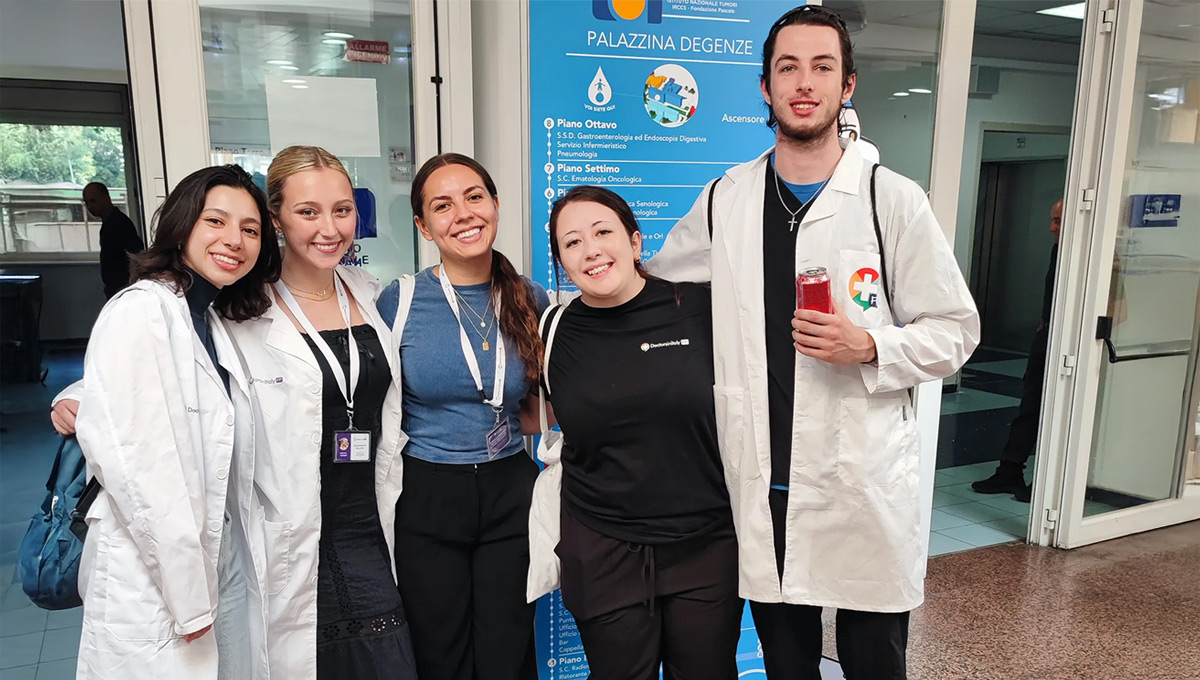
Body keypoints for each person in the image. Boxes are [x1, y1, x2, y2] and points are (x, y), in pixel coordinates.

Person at [646, 6, 980, 679]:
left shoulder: (892, 200)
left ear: (847, 85)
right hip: (765, 482)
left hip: (860, 481)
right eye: (788, 67)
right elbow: (652, 291)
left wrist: (872, 347)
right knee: (787, 663)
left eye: (822, 67)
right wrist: (556, 308)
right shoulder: (726, 199)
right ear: (765, 88)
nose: (805, 82)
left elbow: (955, 331)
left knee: (873, 661)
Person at [62, 165, 279, 679]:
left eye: (250, 230)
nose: (234, 240)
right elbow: (144, 480)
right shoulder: (141, 312)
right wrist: (189, 601)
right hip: (156, 580)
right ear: (182, 226)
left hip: (215, 562)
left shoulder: (209, 317)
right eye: (216, 221)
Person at [224, 145, 418, 679]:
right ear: (276, 219)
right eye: (308, 212)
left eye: (343, 209)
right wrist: (74, 393)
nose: (330, 228)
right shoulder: (243, 310)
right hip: (293, 525)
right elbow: (172, 359)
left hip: (368, 520)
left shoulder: (369, 292)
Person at [540, 185, 741, 679]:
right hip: (601, 543)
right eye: (571, 242)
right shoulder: (555, 329)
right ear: (561, 262)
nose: (590, 249)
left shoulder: (700, 308)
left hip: (705, 542)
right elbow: (543, 416)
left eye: (603, 232)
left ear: (634, 242)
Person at [376, 152, 549, 680]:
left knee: (507, 649)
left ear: (495, 206)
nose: (464, 214)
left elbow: (547, 397)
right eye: (442, 205)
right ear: (423, 226)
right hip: (428, 493)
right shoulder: (399, 301)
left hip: (510, 490)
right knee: (439, 651)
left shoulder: (529, 297)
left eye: (475, 197)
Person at [972, 199, 1062, 502]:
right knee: (1030, 405)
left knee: (1061, 412)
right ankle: (1010, 470)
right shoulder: (1058, 251)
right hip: (1048, 336)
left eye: (1059, 221)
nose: (1052, 227)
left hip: (1071, 343)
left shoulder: (1098, 257)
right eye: (1052, 219)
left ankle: (1052, 483)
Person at [83, 181, 145, 298]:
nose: (90, 207)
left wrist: (130, 285)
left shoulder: (120, 224)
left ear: (106, 198)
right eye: (86, 203)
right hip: (114, 288)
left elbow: (136, 254)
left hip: (124, 289)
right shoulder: (107, 225)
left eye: (93, 201)